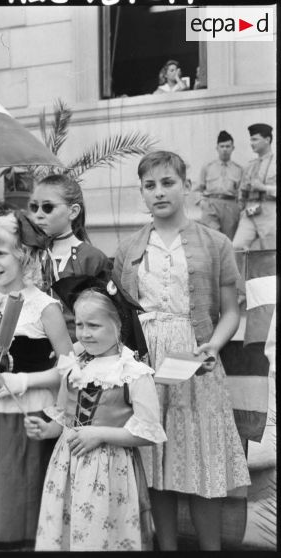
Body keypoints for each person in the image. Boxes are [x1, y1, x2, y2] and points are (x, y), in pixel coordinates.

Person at [113, 151, 251, 550]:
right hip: (146, 363)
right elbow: (122, 314)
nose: (159, 192)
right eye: (150, 185)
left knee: (200, 457)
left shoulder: (216, 242)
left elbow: (230, 312)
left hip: (196, 359)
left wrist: (213, 345)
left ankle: (210, 548)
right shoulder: (129, 247)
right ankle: (166, 546)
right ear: (141, 193)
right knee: (154, 456)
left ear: (187, 186)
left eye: (168, 182)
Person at [0, 211, 73, 551]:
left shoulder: (43, 307)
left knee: (19, 504)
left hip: (28, 417)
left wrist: (22, 381)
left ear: (23, 254)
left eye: (1, 253)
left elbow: (70, 369)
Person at [26, 274, 167, 551]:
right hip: (67, 465)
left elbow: (148, 432)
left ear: (118, 327)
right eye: (79, 325)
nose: (84, 333)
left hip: (110, 467)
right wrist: (47, 430)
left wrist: (100, 434)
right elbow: (66, 420)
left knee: (104, 534)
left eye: (94, 325)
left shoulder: (132, 372)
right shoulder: (74, 366)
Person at [28, 174, 110, 340]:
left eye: (48, 207)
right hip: (36, 350)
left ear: (73, 211)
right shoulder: (30, 256)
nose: (39, 214)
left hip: (80, 348)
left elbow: (107, 316)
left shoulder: (92, 258)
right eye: (34, 207)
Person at [233, 123, 276, 250]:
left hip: (269, 213)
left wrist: (263, 188)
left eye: (255, 139)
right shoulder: (250, 165)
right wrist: (241, 209)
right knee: (236, 248)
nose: (252, 143)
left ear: (267, 140)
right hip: (250, 212)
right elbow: (242, 192)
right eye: (251, 139)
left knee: (270, 251)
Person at [197, 130, 243, 240]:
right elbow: (199, 188)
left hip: (230, 206)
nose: (225, 149)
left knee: (228, 241)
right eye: (222, 146)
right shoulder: (208, 167)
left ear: (233, 148)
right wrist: (201, 202)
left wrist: (239, 207)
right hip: (210, 205)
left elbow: (242, 192)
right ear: (217, 148)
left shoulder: (239, 169)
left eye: (228, 146)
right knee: (212, 238)